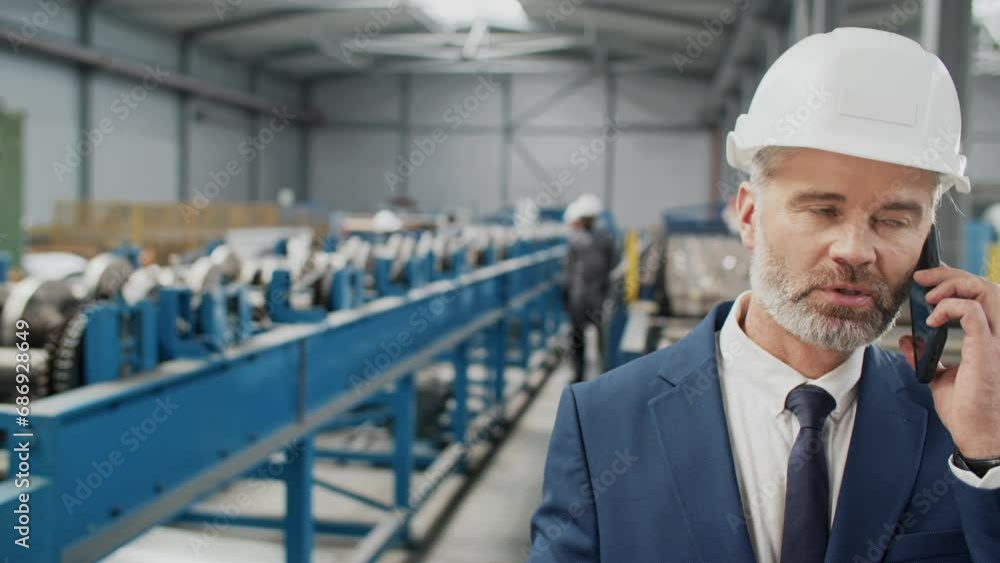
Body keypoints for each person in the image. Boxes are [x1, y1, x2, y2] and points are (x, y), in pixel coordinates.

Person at [529, 27, 1000, 562]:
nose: (855, 250)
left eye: (894, 220)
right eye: (822, 210)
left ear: (927, 243)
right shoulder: (603, 424)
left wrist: (988, 454)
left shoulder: (966, 430)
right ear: (750, 216)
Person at [563, 194, 616, 384]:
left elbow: (569, 272)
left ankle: (591, 377)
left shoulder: (594, 240)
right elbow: (569, 271)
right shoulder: (594, 240)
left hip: (589, 297)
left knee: (593, 341)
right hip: (588, 297)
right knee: (582, 340)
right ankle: (585, 377)